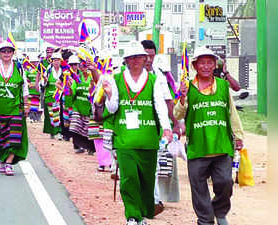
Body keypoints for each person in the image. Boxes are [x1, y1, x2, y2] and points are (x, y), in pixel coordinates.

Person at [103, 41, 173, 225]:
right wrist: (109, 95)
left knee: (147, 180)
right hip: (124, 138)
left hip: (148, 138)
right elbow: (112, 109)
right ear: (125, 60)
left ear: (145, 59)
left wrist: (167, 128)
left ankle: (141, 214)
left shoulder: (154, 80)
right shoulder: (116, 79)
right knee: (128, 179)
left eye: (139, 58)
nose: (135, 61)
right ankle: (132, 216)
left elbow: (160, 106)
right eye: (131, 58)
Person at [174, 46, 244, 225]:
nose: (206, 66)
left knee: (225, 182)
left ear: (215, 65)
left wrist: (238, 135)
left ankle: (220, 211)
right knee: (199, 189)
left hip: (221, 145)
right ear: (195, 66)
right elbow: (177, 114)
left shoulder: (222, 86)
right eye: (202, 63)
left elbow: (231, 112)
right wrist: (182, 98)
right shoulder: (188, 87)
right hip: (198, 147)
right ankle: (205, 220)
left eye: (209, 62)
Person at [141, 40, 181, 216]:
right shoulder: (125, 75)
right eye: (146, 56)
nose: (149, 59)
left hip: (155, 128)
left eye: (151, 56)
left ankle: (154, 201)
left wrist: (176, 123)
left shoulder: (159, 76)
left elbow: (168, 101)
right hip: (132, 129)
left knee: (154, 164)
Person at [0, 41, 30, 176]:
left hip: (15, 109)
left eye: (9, 51)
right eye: (4, 51)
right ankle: (2, 161)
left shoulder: (19, 68)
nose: (6, 54)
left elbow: (24, 88)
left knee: (14, 137)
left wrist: (26, 105)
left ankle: (9, 163)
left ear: (13, 53)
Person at [67, 57, 98, 155]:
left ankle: (90, 148)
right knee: (75, 127)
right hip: (78, 106)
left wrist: (92, 86)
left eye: (86, 66)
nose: (84, 68)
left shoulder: (93, 77)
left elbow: (94, 93)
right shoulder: (76, 78)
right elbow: (72, 92)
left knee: (88, 129)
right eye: (82, 66)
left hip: (89, 108)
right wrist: (69, 87)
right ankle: (78, 146)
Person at [41, 52, 63, 140]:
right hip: (49, 95)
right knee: (50, 114)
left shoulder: (64, 71)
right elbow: (42, 84)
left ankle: (59, 132)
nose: (56, 62)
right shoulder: (48, 70)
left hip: (59, 96)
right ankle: (52, 132)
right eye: (54, 60)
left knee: (58, 114)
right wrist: (45, 80)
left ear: (61, 61)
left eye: (58, 60)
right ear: (52, 61)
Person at [25, 54, 42, 122]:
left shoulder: (39, 70)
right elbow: (25, 79)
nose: (34, 63)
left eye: (35, 62)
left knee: (35, 104)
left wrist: (37, 84)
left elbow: (41, 79)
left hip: (37, 91)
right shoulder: (28, 70)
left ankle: (35, 118)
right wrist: (29, 84)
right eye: (32, 62)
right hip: (30, 91)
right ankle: (31, 117)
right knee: (29, 104)